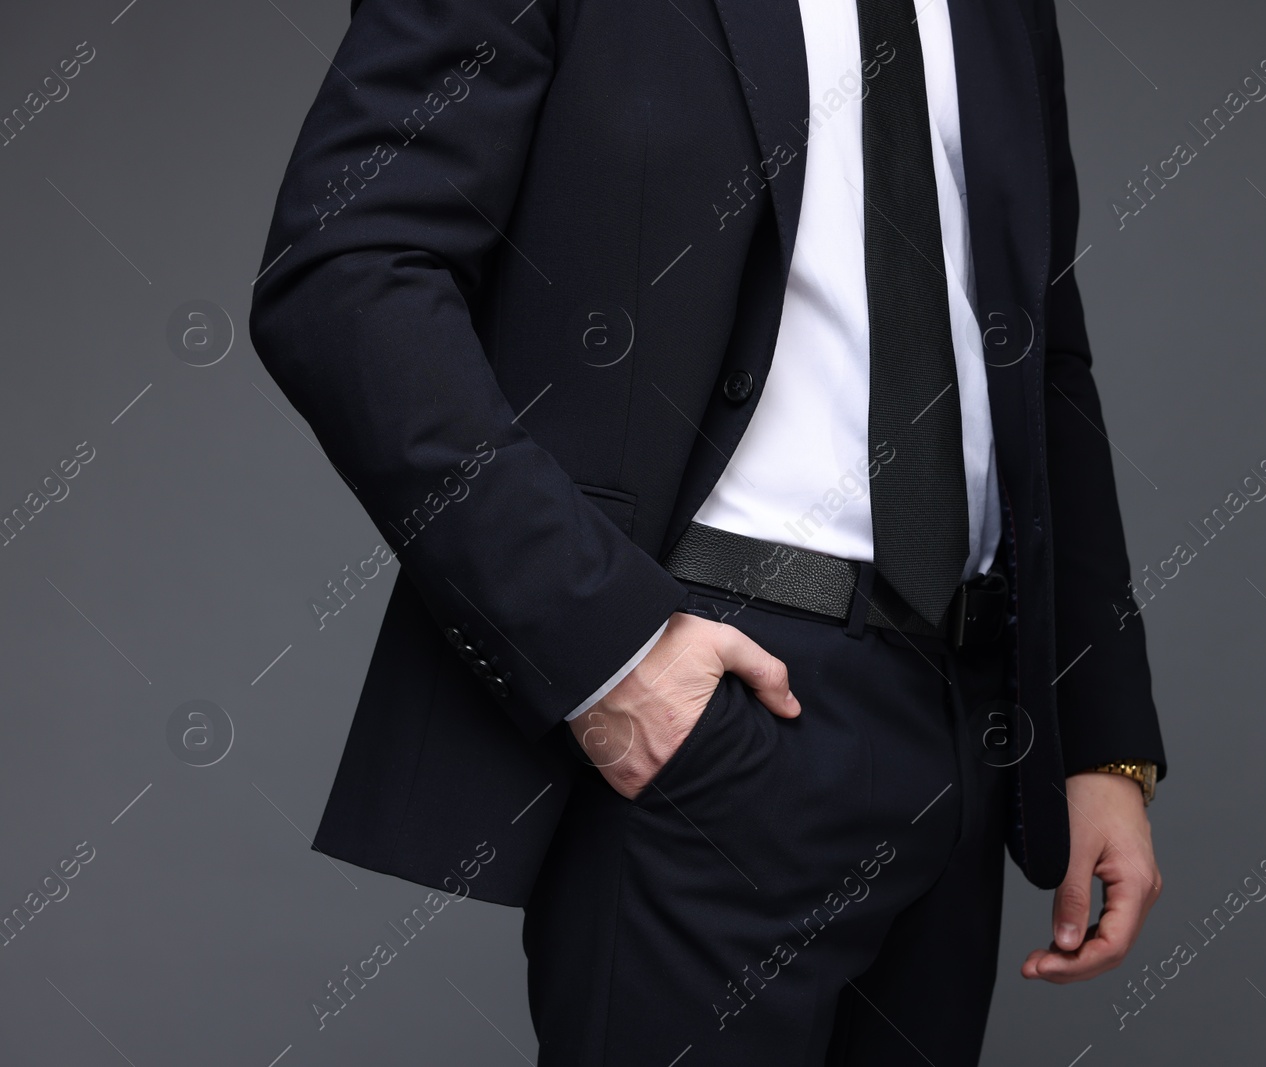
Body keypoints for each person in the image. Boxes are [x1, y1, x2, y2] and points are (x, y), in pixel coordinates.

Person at [250, 0, 1167, 1060]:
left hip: (967, 723)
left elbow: (1040, 344)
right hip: (709, 703)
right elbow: (346, 269)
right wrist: (610, 653)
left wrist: (1098, 737)